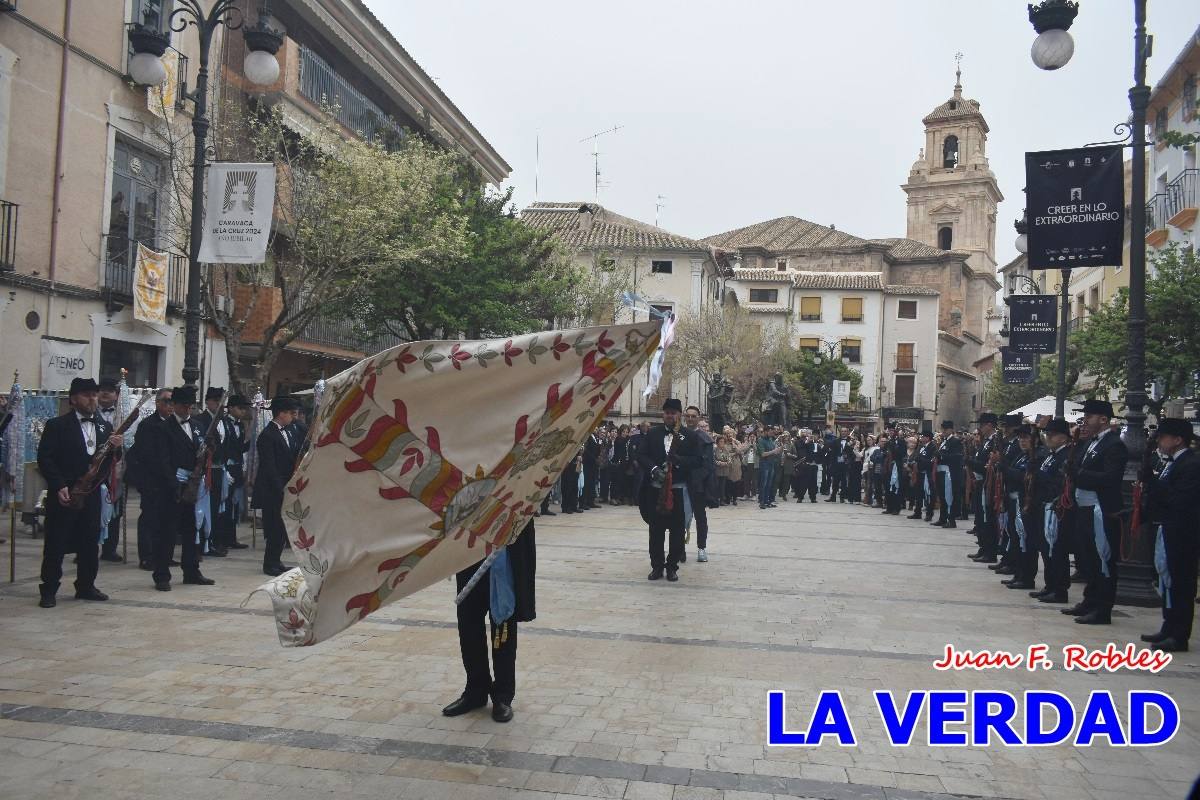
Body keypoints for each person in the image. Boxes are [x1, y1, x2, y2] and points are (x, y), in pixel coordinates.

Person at [35, 378, 123, 608]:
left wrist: (116, 448)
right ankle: (49, 589)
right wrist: (59, 485)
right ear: (73, 399)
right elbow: (45, 459)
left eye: (94, 395)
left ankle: (85, 585)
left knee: (89, 542)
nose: (92, 399)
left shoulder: (104, 426)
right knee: (56, 542)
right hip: (65, 491)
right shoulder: (57, 425)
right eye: (86, 395)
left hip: (91, 493)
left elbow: (109, 461)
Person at [442, 519, 536, 723]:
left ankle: (503, 695)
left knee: (502, 622)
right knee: (469, 623)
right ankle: (475, 690)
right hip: (470, 543)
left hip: (506, 545)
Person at [1065, 400, 1128, 625]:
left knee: (1103, 559)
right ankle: (1090, 600)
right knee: (1088, 557)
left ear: (1103, 419)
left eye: (1089, 417)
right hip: (1085, 508)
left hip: (1102, 509)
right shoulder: (1090, 442)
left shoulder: (1113, 445)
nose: (1085, 421)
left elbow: (1110, 478)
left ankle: (1102, 609)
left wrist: (1080, 474)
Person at [1142, 418, 1199, 652]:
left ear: (1178, 440)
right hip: (1168, 527)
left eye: (1163, 437)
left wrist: (1153, 483)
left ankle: (1179, 634)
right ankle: (1168, 625)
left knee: (1181, 583)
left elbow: (1179, 499)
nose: (1159, 442)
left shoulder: (1191, 464)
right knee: (1168, 581)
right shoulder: (1172, 462)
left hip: (1183, 532)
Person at [152, 386, 215, 591]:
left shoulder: (197, 425)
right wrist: (174, 484)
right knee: (167, 533)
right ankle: (162, 575)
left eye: (191, 406)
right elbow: (162, 460)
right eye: (184, 405)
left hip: (193, 485)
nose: (188, 409)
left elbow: (203, 451)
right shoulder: (163, 428)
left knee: (191, 531)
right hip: (171, 487)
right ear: (174, 405)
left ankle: (191, 571)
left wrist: (210, 448)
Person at [636, 398, 702, 582]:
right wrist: (654, 469)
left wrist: (678, 461)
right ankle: (657, 567)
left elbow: (698, 460)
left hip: (678, 490)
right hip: (656, 490)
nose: (670, 415)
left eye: (673, 413)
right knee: (655, 531)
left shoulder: (689, 436)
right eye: (667, 412)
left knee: (677, 532)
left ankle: (672, 567)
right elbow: (641, 455)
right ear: (663, 414)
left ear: (679, 415)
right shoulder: (653, 433)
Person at [253, 395, 299, 577]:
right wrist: (281, 488)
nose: (292, 417)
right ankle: (269, 563)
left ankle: (276, 560)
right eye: (290, 413)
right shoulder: (267, 435)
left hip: (285, 486)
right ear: (281, 414)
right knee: (273, 527)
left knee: (281, 528)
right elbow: (269, 467)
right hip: (272, 489)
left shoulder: (286, 431)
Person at [1030, 418, 1074, 604]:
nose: (1048, 437)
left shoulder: (1065, 456)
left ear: (1063, 438)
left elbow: (1057, 482)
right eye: (1047, 434)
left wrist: (1037, 474)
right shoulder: (1052, 454)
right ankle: (1050, 585)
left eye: (1052, 435)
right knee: (1046, 549)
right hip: (1044, 505)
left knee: (1056, 550)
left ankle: (1059, 589)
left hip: (1055, 507)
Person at [130, 388, 175, 570]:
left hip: (170, 480)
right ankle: (147, 556)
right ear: (157, 403)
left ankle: (164, 555)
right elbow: (146, 455)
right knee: (149, 518)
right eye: (167, 402)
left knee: (167, 520)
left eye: (173, 402)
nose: (170, 406)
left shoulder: (175, 424)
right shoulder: (148, 425)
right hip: (152, 480)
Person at [1000, 424, 1047, 591]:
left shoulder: (1039, 455)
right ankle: (1019, 573)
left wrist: (1006, 470)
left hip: (1028, 504)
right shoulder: (1022, 455)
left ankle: (1027, 577)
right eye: (1020, 437)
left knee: (1027, 541)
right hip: (1015, 501)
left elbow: (1024, 477)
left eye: (1026, 437)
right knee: (1016, 538)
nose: (1022, 441)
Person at [193, 387, 228, 558]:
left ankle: (212, 540)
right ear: (208, 402)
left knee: (215, 508)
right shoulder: (201, 420)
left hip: (219, 470)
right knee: (202, 508)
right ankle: (199, 542)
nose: (220, 406)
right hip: (206, 471)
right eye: (216, 402)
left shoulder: (223, 420)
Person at [96, 377, 126, 564]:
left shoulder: (122, 415)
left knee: (114, 510)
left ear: (116, 395)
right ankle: (85, 546)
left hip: (116, 468)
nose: (105, 393)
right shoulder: (91, 414)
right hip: (94, 469)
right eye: (102, 390)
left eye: (110, 390)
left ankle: (110, 548)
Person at [966, 413, 1002, 561]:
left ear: (989, 425)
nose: (979, 428)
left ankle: (990, 552)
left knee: (987, 518)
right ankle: (983, 547)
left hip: (988, 483)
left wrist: (970, 462)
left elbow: (987, 466)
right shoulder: (986, 441)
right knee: (980, 518)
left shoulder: (995, 441)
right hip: (981, 482)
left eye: (981, 425)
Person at [220, 395, 253, 550]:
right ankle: (222, 538)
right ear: (231, 408)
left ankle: (231, 537)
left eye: (244, 409)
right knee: (225, 505)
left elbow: (240, 448)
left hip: (237, 468)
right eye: (240, 408)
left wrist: (250, 441)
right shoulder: (223, 423)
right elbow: (223, 449)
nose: (242, 412)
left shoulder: (240, 425)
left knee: (234, 505)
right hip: (227, 468)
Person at [683, 405, 714, 562]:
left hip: (697, 485)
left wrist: (698, 479)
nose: (690, 419)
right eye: (687, 416)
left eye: (693, 416)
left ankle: (702, 548)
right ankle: (679, 548)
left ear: (698, 418)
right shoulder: (678, 435)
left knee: (700, 518)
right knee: (679, 518)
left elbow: (708, 465)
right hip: (680, 483)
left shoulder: (705, 439)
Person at [934, 421, 963, 528]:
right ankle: (942, 518)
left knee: (949, 496)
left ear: (951, 430)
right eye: (942, 429)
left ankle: (951, 520)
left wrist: (941, 456)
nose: (943, 432)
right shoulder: (944, 441)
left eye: (945, 430)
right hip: (941, 471)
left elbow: (956, 457)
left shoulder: (955, 441)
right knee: (942, 496)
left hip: (949, 472)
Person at [756, 426, 782, 509]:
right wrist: (773, 451)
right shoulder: (760, 440)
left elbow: (773, 452)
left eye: (772, 432)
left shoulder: (771, 440)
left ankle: (767, 501)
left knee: (769, 484)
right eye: (770, 432)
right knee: (763, 483)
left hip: (771, 464)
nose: (771, 434)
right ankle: (762, 501)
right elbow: (763, 454)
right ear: (765, 431)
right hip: (764, 464)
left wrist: (779, 449)